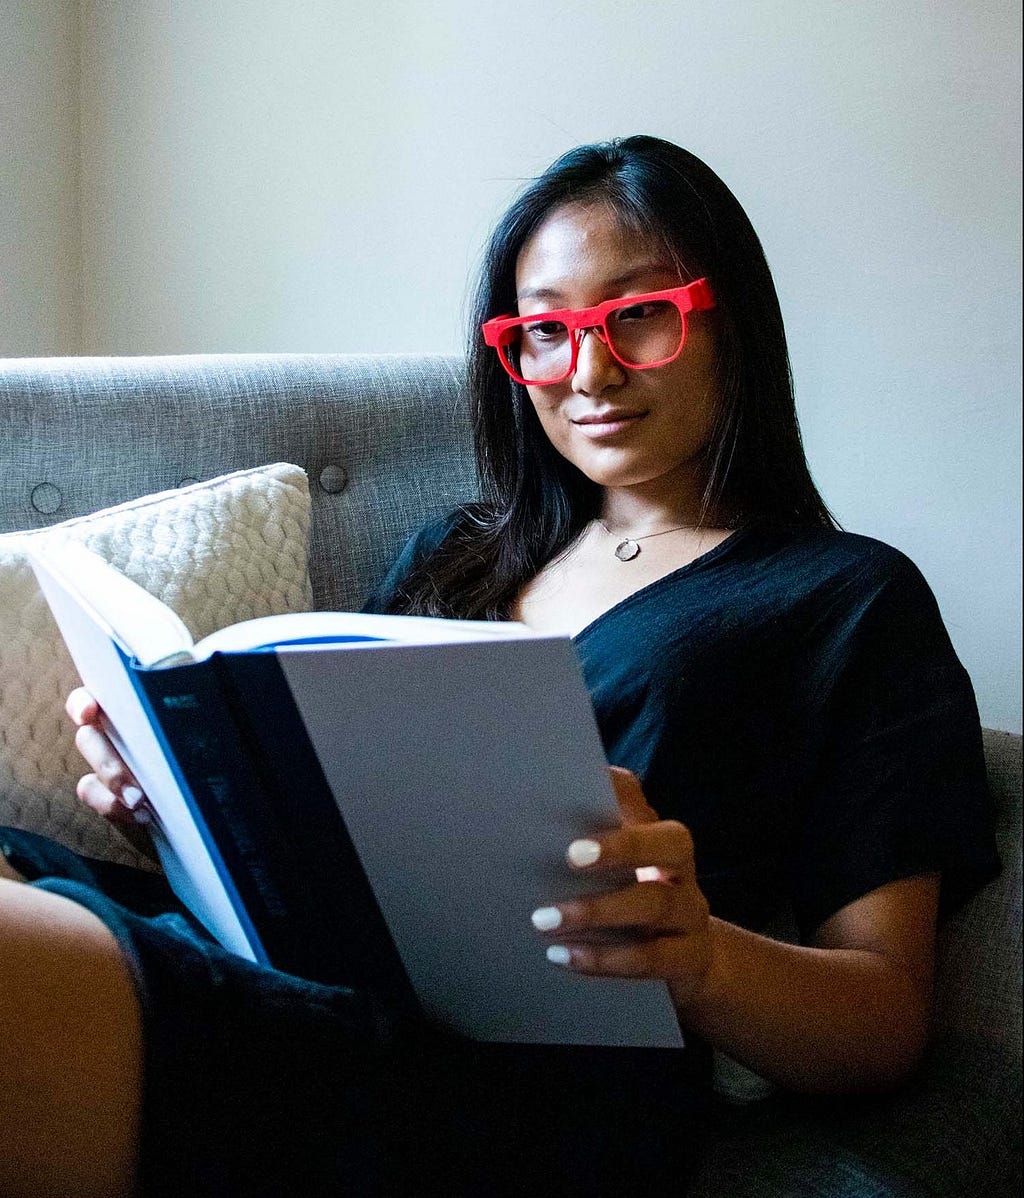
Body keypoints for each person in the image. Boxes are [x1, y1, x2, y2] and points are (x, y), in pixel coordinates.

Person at [0, 135, 1000, 1198]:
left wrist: (700, 953)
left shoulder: (844, 598)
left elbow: (884, 1016)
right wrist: (182, 805)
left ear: (730, 322)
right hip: (306, 978)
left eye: (639, 315)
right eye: (545, 331)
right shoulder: (455, 553)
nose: (588, 370)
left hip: (531, 1070)